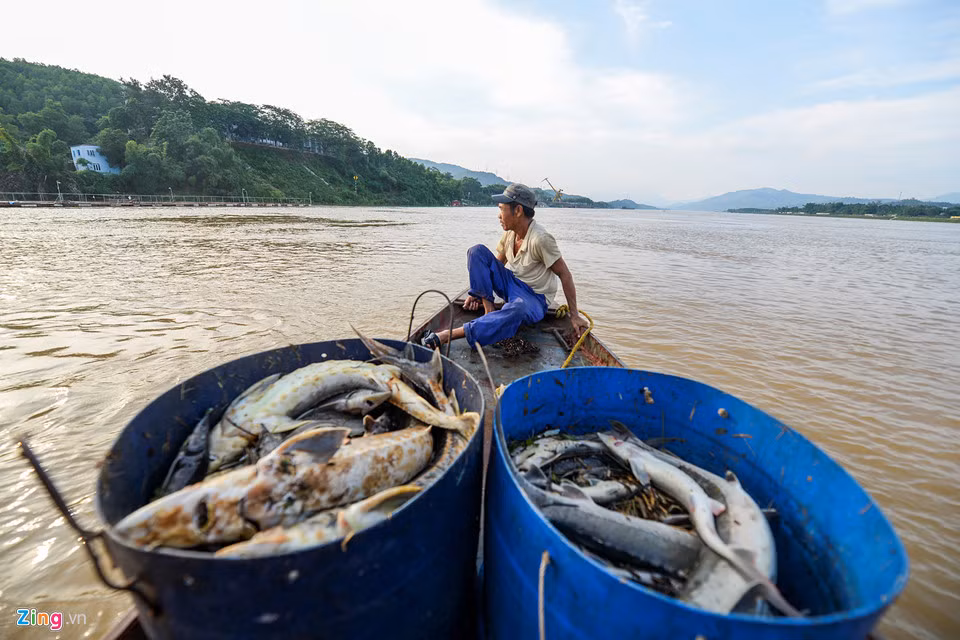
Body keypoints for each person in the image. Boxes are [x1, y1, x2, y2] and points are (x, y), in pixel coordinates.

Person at [421, 183, 589, 350]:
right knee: (476, 252)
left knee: (517, 308)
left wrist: (574, 315)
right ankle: (489, 312)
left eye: (501, 209)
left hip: (535, 298)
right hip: (511, 283)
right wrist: (478, 292)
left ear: (517, 211)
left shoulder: (541, 239)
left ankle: (446, 335)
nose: (499, 216)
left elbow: (565, 275)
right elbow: (495, 264)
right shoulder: (510, 233)